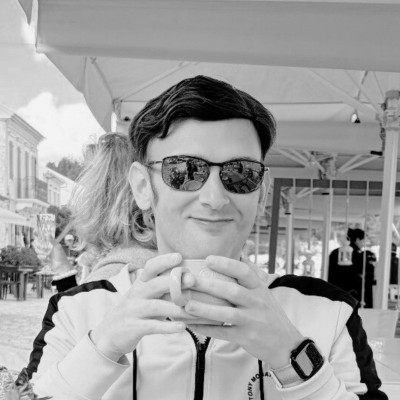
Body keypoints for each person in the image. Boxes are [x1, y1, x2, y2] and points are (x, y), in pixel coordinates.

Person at [27, 76, 386, 399]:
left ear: (261, 191)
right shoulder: (77, 311)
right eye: (185, 171)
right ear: (142, 187)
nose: (215, 198)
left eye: (241, 173)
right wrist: (102, 347)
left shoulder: (328, 311)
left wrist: (291, 354)